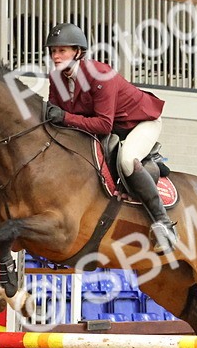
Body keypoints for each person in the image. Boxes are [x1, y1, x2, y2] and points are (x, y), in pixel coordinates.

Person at [43, 22, 177, 253]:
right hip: (110, 128)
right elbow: (56, 118)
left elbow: (103, 125)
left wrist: (64, 117)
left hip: (139, 122)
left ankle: (163, 223)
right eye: (53, 51)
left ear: (77, 52)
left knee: (126, 160)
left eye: (62, 50)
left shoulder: (100, 75)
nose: (56, 56)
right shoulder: (57, 79)